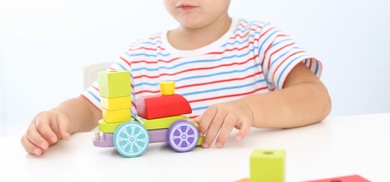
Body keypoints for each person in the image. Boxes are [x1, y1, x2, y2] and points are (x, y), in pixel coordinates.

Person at [21, 0, 331, 156]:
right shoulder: (141, 56)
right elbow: (89, 108)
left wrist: (248, 109)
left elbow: (316, 97)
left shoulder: (261, 40)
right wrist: (58, 116)